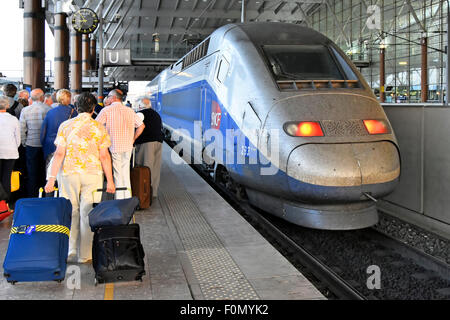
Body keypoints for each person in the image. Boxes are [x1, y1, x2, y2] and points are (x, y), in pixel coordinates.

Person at [45, 92, 115, 263]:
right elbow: (105, 156)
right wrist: (111, 181)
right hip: (93, 175)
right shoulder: (99, 127)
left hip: (69, 174)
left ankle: (70, 250)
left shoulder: (65, 125)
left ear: (76, 108)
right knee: (88, 213)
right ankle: (85, 255)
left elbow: (59, 153)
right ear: (93, 109)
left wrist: (51, 179)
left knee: (70, 211)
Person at [96, 89, 145, 199]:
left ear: (113, 98)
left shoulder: (106, 111)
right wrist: (133, 139)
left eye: (108, 96)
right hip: (128, 147)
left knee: (117, 174)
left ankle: (119, 200)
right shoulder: (129, 110)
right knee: (125, 173)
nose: (107, 98)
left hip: (114, 146)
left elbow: (95, 126)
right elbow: (141, 126)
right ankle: (127, 199)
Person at [19, 88, 51, 197]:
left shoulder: (25, 110)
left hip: (31, 144)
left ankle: (32, 195)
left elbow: (22, 129)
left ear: (31, 98)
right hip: (45, 144)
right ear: (42, 98)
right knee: (44, 171)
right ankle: (43, 194)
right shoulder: (48, 109)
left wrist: (24, 142)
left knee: (32, 171)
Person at [40, 89, 77, 170]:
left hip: (51, 145)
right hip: (66, 146)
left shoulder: (50, 112)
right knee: (64, 171)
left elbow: (43, 131)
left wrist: (43, 144)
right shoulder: (73, 113)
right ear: (69, 98)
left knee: (50, 170)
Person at [134, 97, 163, 198]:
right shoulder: (156, 114)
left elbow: (136, 127)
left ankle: (144, 193)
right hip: (158, 142)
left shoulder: (140, 114)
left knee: (146, 167)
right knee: (155, 168)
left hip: (146, 144)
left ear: (140, 106)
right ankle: (153, 193)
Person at [0, 96, 20, 220]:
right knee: (6, 177)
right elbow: (17, 138)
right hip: (11, 152)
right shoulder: (13, 119)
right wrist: (14, 147)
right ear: (7, 106)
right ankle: (6, 205)